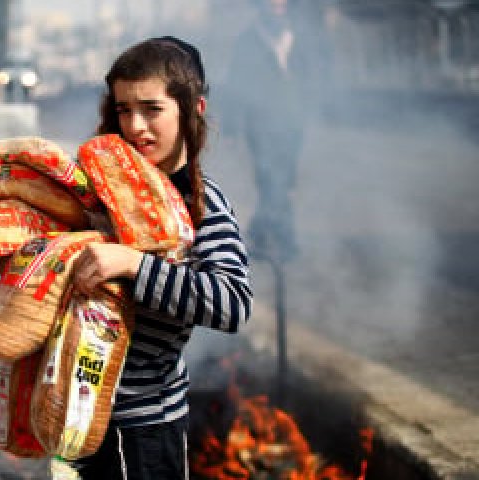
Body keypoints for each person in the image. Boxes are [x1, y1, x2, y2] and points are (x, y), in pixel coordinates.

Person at [69, 36, 253, 480]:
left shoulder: (201, 204)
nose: (135, 126)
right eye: (123, 109)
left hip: (142, 430)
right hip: (74, 419)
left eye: (152, 109)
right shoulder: (98, 191)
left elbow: (232, 303)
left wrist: (132, 265)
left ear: (193, 111)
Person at [225, 0, 319, 262]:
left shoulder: (298, 36)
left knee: (286, 180)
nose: (277, 4)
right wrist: (232, 128)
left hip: (292, 123)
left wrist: (308, 108)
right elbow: (235, 86)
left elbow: (310, 77)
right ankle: (285, 239)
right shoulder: (247, 41)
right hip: (260, 125)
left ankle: (260, 231)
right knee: (269, 179)